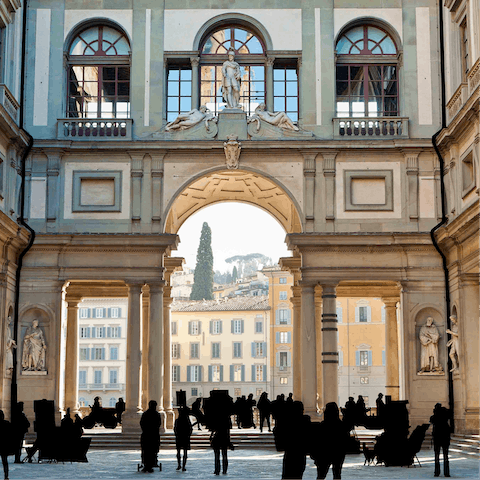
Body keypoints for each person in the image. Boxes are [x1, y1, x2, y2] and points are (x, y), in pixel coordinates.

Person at [310, 402, 350, 480]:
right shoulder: (341, 426)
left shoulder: (322, 426)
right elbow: (345, 440)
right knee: (337, 474)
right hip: (338, 453)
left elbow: (316, 441)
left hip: (324, 453)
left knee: (321, 475)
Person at [281, 401, 310, 480]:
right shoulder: (305, 420)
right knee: (298, 473)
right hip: (300, 451)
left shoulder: (287, 421)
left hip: (290, 451)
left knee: (287, 473)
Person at [430, 403, 451, 477]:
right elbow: (450, 413)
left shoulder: (434, 417)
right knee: (446, 456)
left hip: (437, 438)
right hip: (445, 437)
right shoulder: (445, 416)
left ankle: (437, 472)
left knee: (437, 456)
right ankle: (447, 472)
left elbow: (431, 420)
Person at [140, 400, 161, 473]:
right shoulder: (157, 414)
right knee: (153, 451)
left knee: (146, 451)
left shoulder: (145, 414)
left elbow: (142, 424)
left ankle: (146, 465)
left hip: (146, 435)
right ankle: (151, 464)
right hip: (154, 435)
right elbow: (158, 424)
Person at [174, 407, 193, 471]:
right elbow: (190, 429)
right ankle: (183, 466)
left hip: (179, 437)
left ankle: (179, 465)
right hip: (185, 437)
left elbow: (175, 429)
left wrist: (177, 435)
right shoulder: (187, 420)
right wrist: (188, 435)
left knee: (178, 452)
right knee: (185, 452)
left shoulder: (178, 420)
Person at [0, 410, 13, 480]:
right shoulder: (7, 423)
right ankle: (6, 476)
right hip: (4, 445)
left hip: (2, 445)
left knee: (5, 462)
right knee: (5, 462)